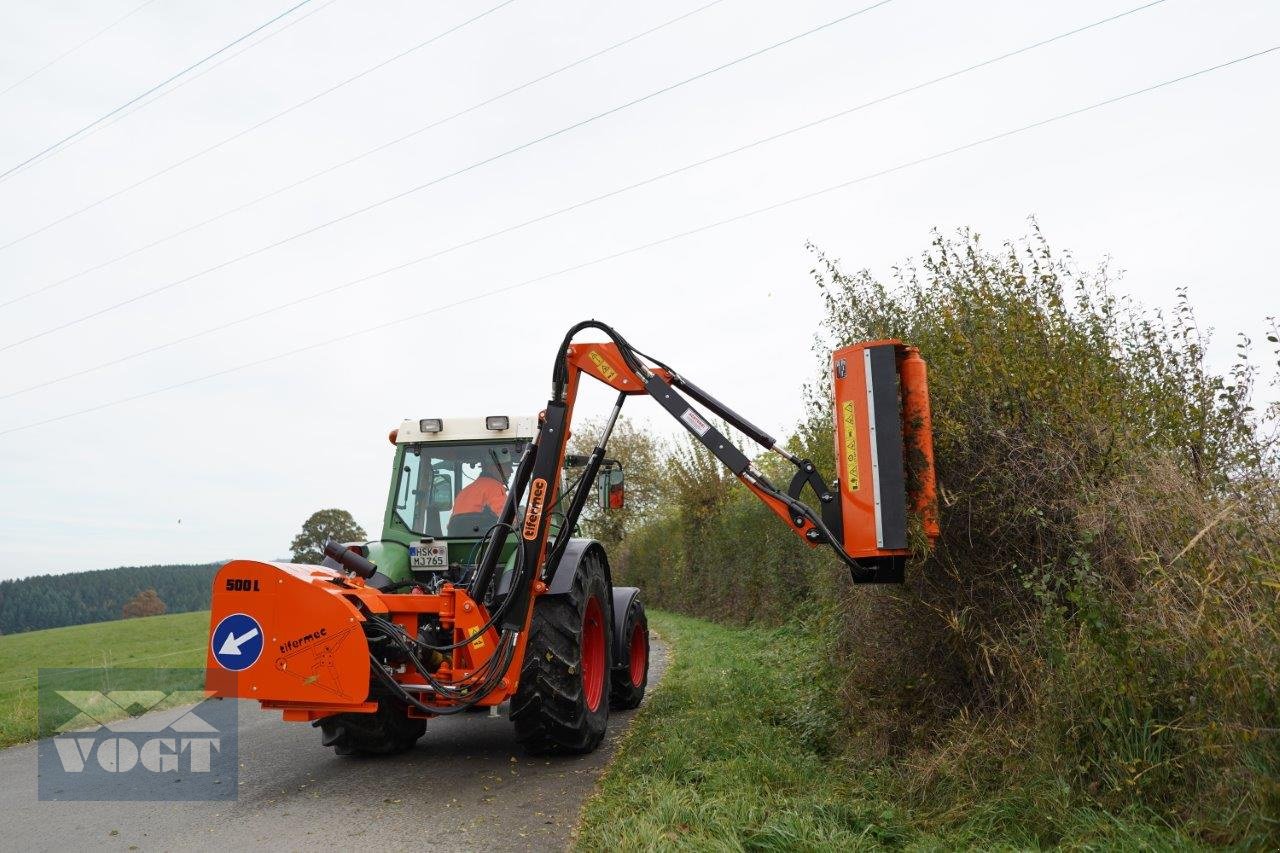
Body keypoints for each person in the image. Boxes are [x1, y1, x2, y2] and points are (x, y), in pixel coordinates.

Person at [451, 457, 508, 521]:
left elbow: (453, 524)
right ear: (493, 468)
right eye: (508, 467)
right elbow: (506, 518)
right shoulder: (494, 487)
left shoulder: (463, 492)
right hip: (483, 530)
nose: (512, 471)